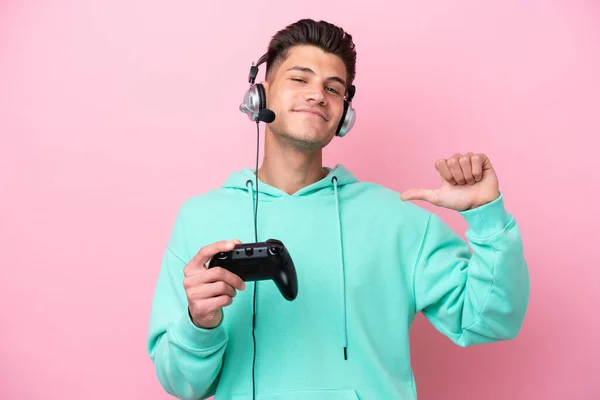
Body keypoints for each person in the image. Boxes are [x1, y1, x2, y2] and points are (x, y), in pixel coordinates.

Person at [147, 18, 530, 400]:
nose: (317, 95)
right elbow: (182, 384)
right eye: (300, 79)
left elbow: (490, 320)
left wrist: (486, 217)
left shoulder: (398, 219)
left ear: (344, 113)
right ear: (260, 95)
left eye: (333, 88)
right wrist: (200, 323)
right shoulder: (199, 218)